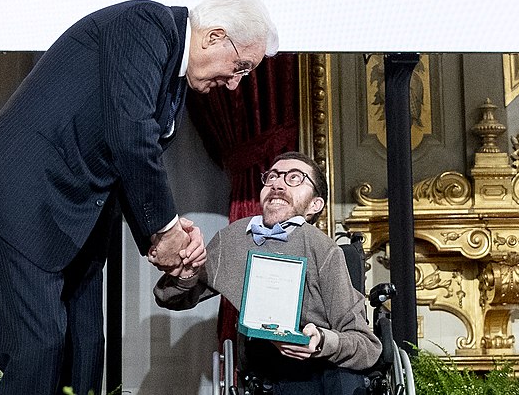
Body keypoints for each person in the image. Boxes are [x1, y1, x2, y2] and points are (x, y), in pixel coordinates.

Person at [0, 0, 279, 395]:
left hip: (75, 215)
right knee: (39, 347)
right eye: (241, 66)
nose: (236, 82)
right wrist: (166, 228)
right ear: (215, 37)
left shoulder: (174, 78)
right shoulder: (146, 24)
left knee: (87, 348)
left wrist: (161, 236)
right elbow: (131, 136)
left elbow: (126, 161)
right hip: (21, 199)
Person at [154, 151, 382, 395]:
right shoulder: (233, 239)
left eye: (294, 178)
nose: (278, 184)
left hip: (321, 369)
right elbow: (171, 298)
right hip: (263, 369)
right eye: (272, 176)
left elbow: (367, 346)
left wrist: (322, 341)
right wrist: (187, 271)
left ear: (315, 204)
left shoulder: (325, 250)